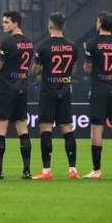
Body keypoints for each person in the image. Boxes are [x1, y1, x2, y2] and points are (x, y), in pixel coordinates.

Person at [0, 10, 35, 180]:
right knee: (23, 129)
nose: (3, 24)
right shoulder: (29, 43)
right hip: (22, 88)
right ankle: (26, 170)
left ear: (16, 23)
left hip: (6, 89)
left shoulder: (6, 44)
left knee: (0, 129)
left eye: (6, 22)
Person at [31, 12, 79, 179]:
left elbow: (35, 70)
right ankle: (73, 169)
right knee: (67, 127)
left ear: (50, 25)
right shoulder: (72, 46)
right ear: (64, 26)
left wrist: (44, 68)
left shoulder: (43, 47)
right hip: (64, 91)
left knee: (46, 127)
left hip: (48, 91)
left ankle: (46, 171)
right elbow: (72, 71)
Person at [82, 11, 112, 178]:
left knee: (97, 129)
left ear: (100, 23)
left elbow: (87, 69)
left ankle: (97, 170)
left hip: (99, 89)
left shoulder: (92, 43)